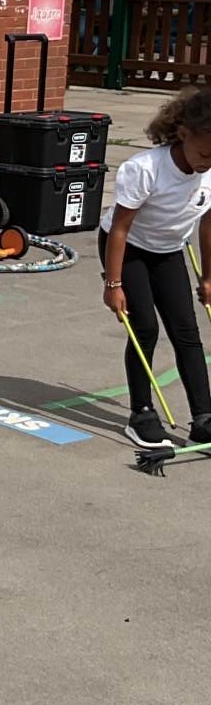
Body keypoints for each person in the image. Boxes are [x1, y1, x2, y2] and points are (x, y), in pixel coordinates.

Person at [99, 85, 211, 448]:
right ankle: (142, 414)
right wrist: (113, 284)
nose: (207, 163)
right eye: (204, 154)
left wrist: (208, 277)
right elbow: (119, 229)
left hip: (168, 249)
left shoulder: (210, 172)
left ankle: (204, 417)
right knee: (144, 327)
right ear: (183, 134)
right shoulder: (145, 169)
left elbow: (208, 225)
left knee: (186, 330)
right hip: (128, 248)